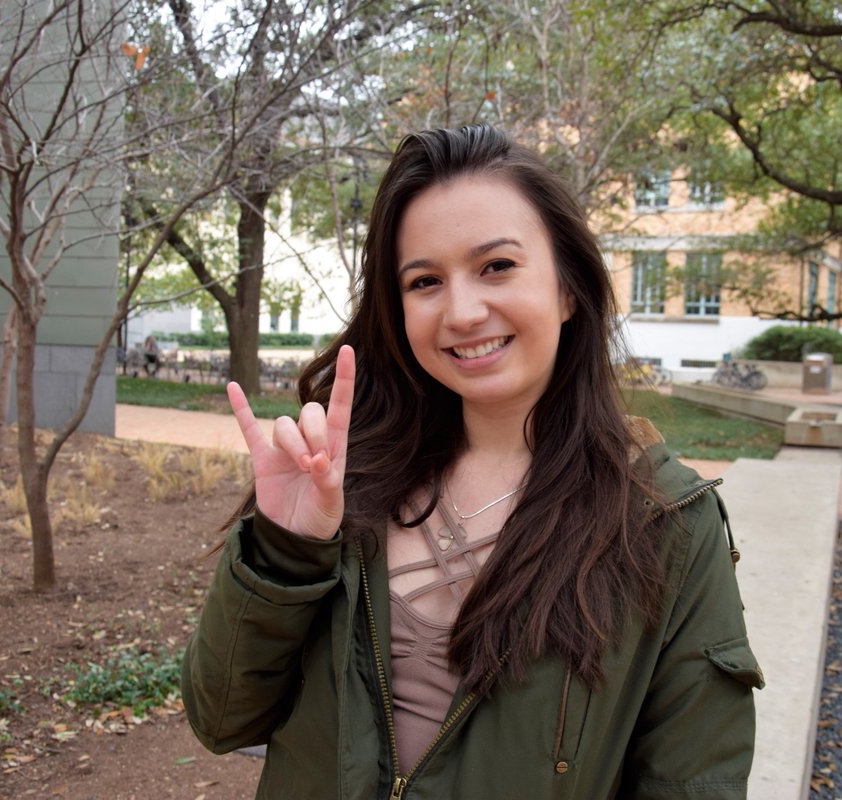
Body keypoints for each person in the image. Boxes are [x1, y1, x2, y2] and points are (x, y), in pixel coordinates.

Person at [181, 124, 762, 799]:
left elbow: (693, 783)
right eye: (425, 280)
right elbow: (221, 719)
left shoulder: (666, 524)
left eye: (496, 266)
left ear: (569, 288)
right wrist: (288, 546)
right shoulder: (348, 482)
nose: (461, 311)